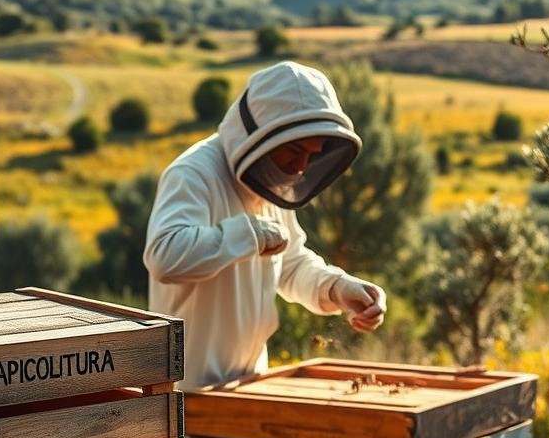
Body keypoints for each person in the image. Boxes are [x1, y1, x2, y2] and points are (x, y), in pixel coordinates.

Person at [144, 61, 387, 390]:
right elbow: (165, 256)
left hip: (250, 385)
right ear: (260, 135)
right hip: (187, 398)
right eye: (295, 150)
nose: (301, 168)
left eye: (311, 155)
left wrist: (337, 288)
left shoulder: (270, 181)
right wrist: (248, 234)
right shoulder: (193, 174)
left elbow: (289, 264)